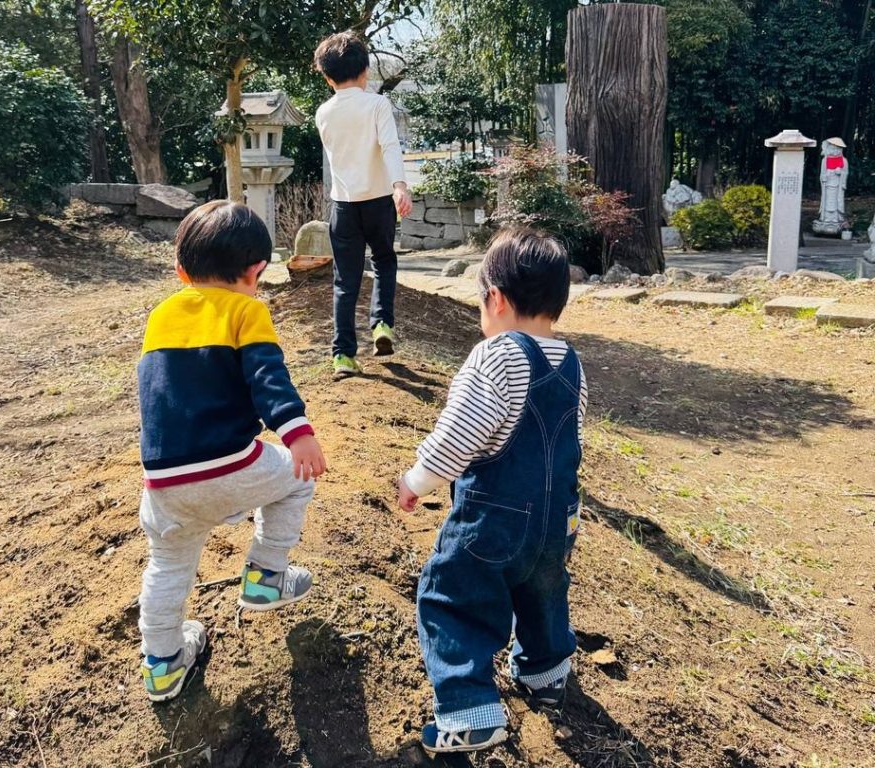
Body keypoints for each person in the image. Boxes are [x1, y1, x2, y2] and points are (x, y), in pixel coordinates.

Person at [397, 228, 587, 754]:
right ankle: (546, 674)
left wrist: (417, 479)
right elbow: (572, 440)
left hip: (494, 520)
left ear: (495, 299)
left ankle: (468, 711)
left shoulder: (497, 355)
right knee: (543, 592)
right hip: (557, 519)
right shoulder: (572, 366)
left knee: (453, 598)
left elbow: (459, 434)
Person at [136, 200, 327, 702]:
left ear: (181, 271)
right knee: (298, 478)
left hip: (163, 481)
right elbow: (268, 377)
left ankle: (162, 663)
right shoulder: (247, 310)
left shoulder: (160, 316)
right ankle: (266, 576)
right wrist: (297, 432)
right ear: (255, 271)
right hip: (230, 463)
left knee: (167, 563)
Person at [313, 31, 413, 379]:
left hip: (343, 205)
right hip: (379, 201)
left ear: (328, 77)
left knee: (345, 280)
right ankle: (382, 323)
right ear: (366, 70)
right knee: (384, 260)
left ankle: (342, 355)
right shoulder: (377, 105)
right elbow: (390, 147)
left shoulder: (323, 112)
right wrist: (399, 186)